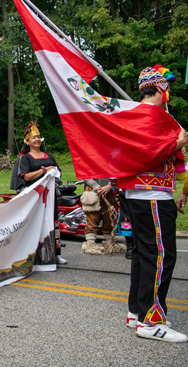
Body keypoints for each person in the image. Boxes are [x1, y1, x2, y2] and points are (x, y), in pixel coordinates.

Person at [120, 65, 188, 342]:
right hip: (152, 196)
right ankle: (151, 320)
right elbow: (143, 153)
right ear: (161, 88)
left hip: (141, 195)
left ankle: (137, 312)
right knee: (160, 255)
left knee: (143, 254)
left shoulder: (135, 116)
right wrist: (176, 143)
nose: (169, 92)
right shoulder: (150, 116)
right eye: (168, 87)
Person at [10, 122, 67, 265]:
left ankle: (55, 253)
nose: (36, 140)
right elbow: (26, 177)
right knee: (35, 223)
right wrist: (44, 170)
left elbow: (58, 171)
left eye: (38, 137)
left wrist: (54, 171)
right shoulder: (26, 158)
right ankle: (32, 254)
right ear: (27, 141)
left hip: (50, 196)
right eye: (33, 137)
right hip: (35, 196)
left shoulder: (49, 155)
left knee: (53, 222)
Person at [81, 178, 124, 254]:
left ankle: (109, 242)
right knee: (92, 219)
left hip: (110, 193)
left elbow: (118, 174)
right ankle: (90, 243)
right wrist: (96, 187)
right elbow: (85, 174)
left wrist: (110, 186)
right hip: (91, 192)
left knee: (109, 219)